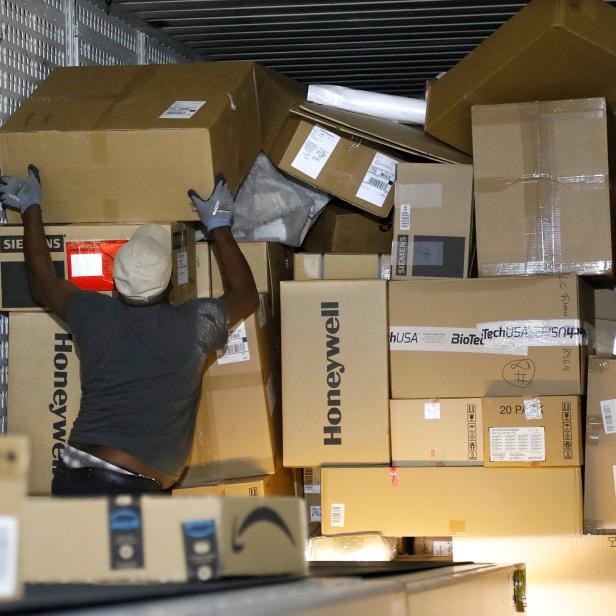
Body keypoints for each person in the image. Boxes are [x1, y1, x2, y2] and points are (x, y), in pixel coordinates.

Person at [0, 165, 258, 496]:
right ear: (168, 284)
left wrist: (30, 207)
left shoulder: (92, 313)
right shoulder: (192, 327)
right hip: (122, 490)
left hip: (80, 472)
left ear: (115, 285)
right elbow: (246, 296)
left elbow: (42, 283)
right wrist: (219, 225)